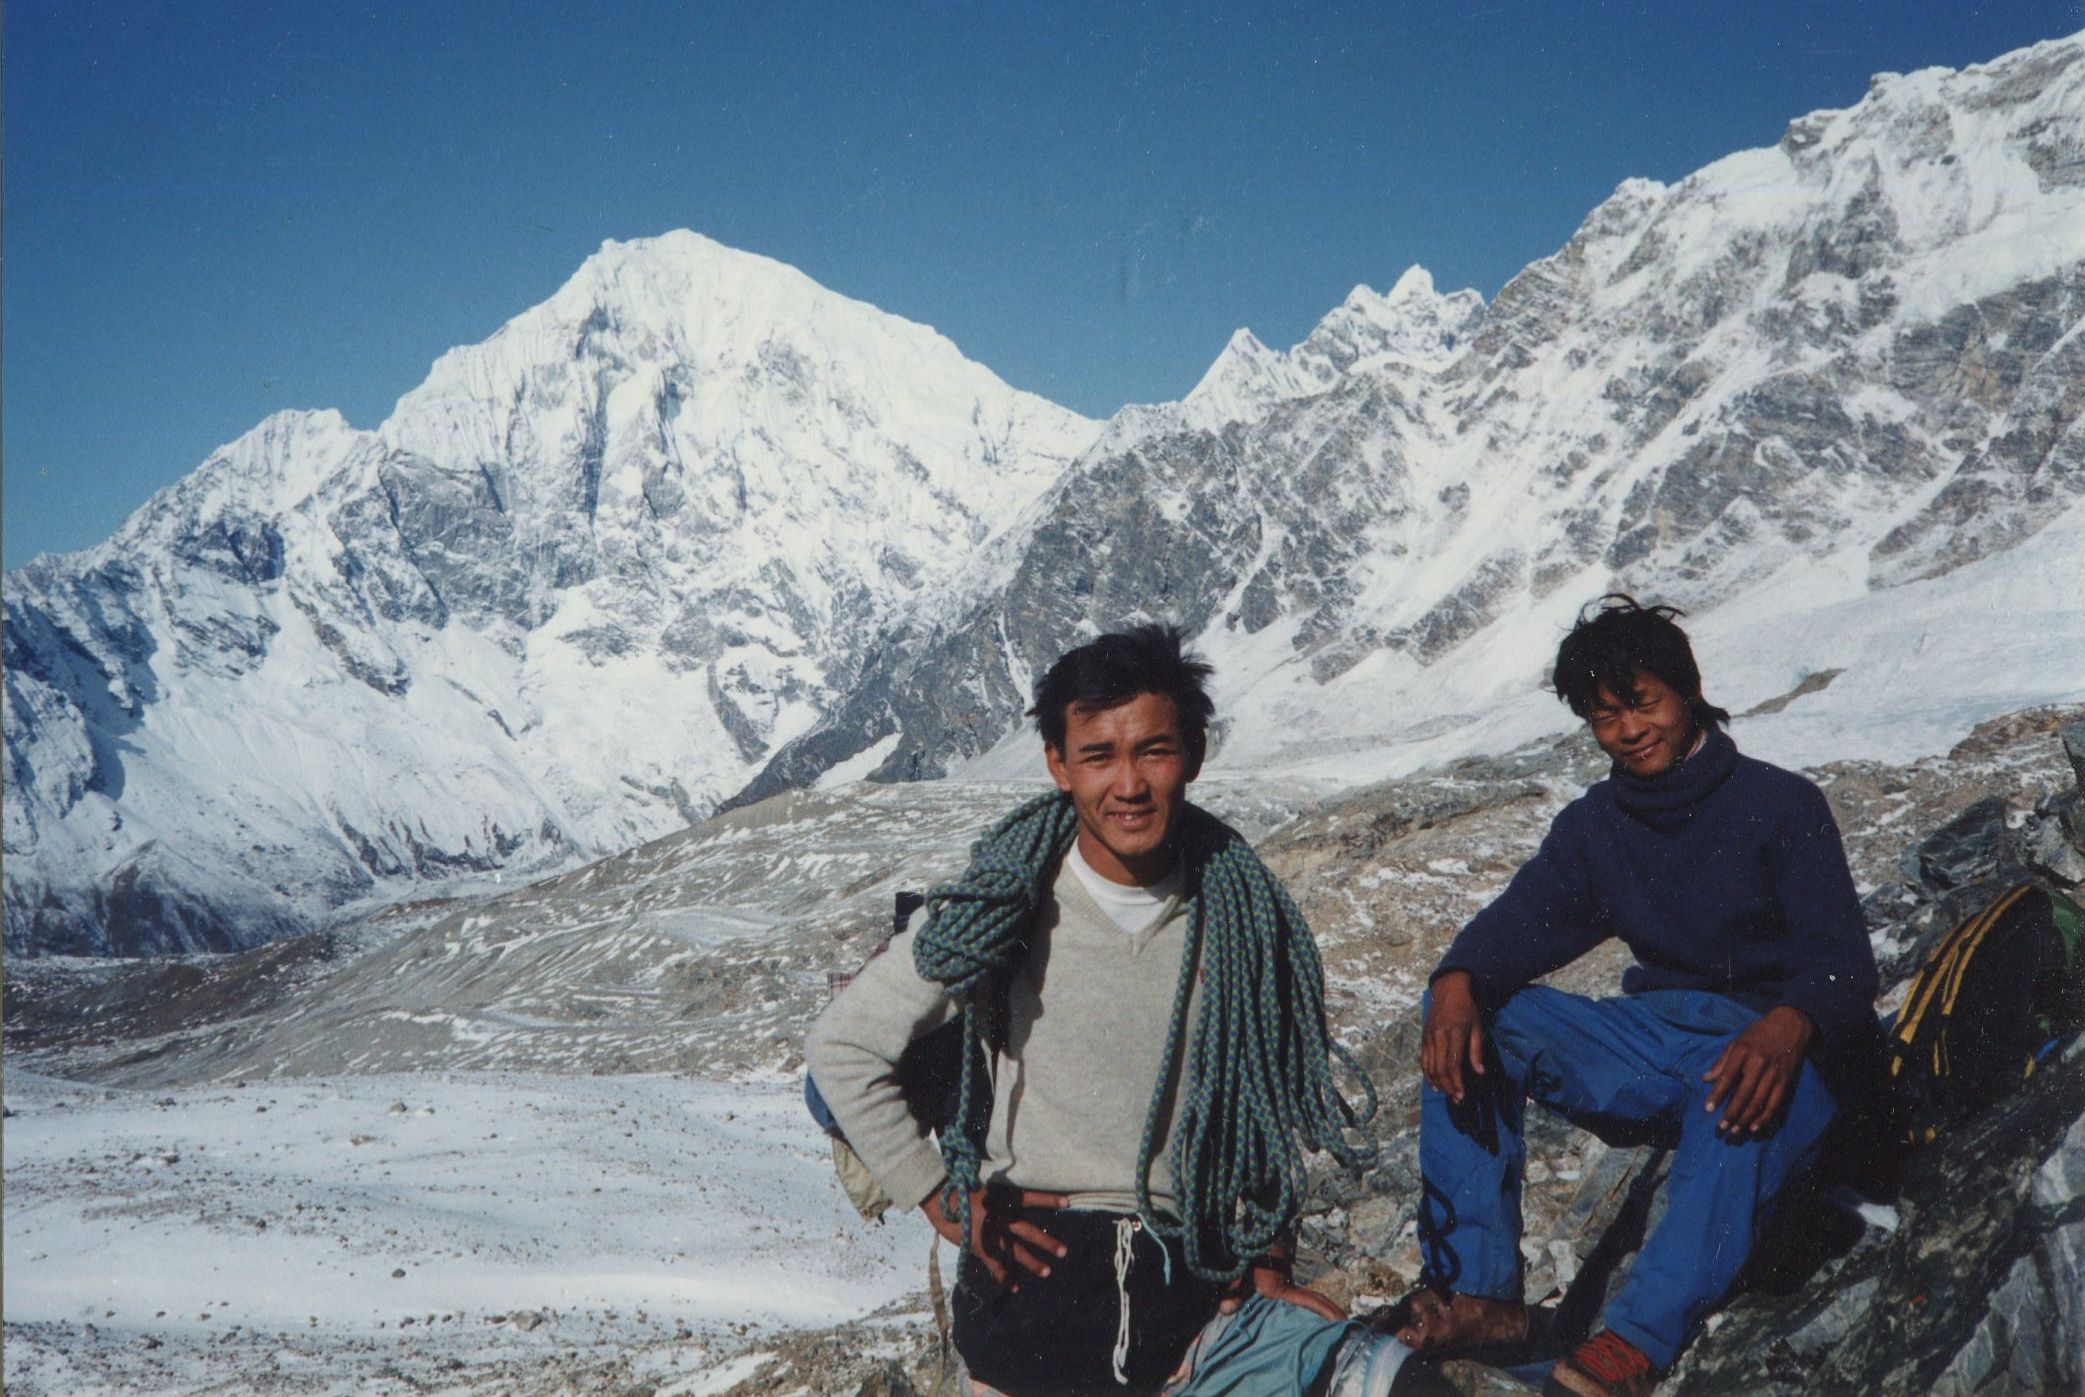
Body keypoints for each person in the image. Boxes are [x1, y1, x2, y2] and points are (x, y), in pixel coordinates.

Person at [806, 624, 1442, 1397]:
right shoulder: (1000, 904)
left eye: (1153, 750)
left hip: (1198, 1296)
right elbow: (843, 1046)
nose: (1128, 784)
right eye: (1098, 755)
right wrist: (940, 1194)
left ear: (1194, 753)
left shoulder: (1242, 916)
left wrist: (1269, 1262)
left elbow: (1266, 1108)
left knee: (1400, 1385)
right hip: (1033, 1298)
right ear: (1058, 766)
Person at [1387, 596, 1880, 1397]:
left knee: (1733, 1086)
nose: (1626, 728)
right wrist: (1454, 981)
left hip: (1787, 1053)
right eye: (1604, 714)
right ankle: (1479, 1291)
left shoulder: (1779, 804)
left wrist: (1787, 1026)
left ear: (1686, 690)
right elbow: (1519, 924)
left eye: (1641, 702)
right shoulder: (1598, 825)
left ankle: (1635, 1341)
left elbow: (1843, 966)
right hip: (1659, 1041)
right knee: (1475, 1017)